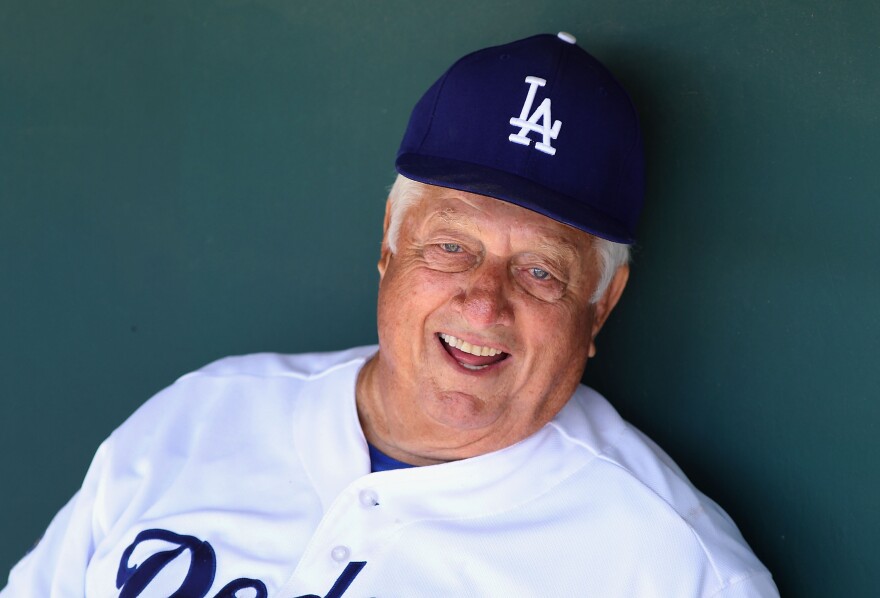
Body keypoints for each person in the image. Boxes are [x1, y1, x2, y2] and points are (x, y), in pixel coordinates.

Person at [1, 33, 779, 597]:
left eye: (540, 270)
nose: (484, 301)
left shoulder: (672, 566)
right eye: (451, 246)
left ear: (601, 303)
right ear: (390, 242)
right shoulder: (201, 416)